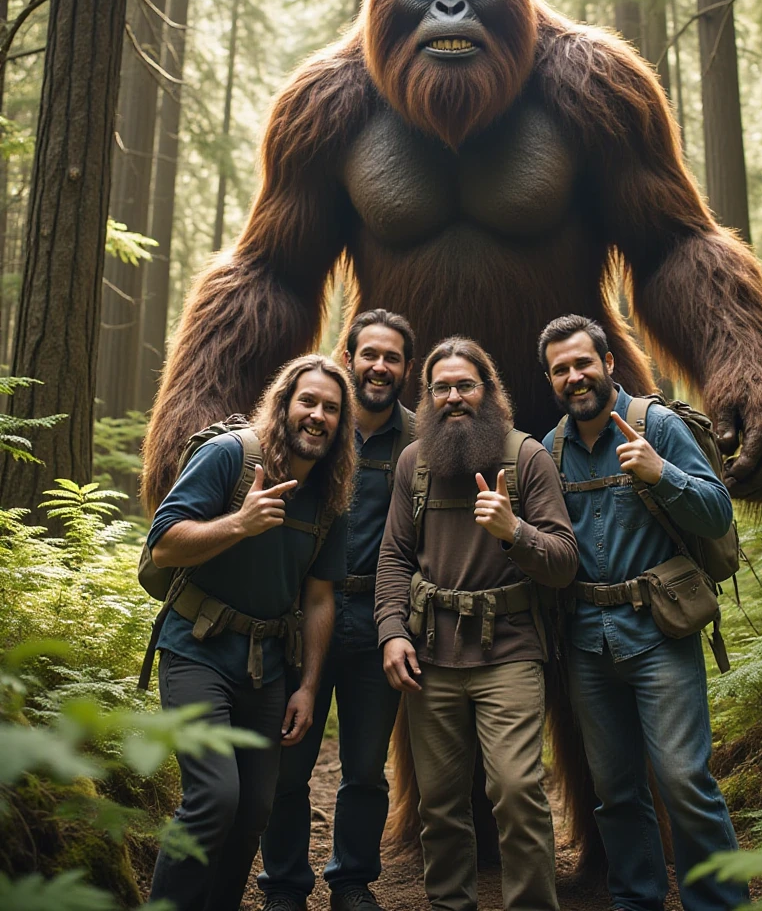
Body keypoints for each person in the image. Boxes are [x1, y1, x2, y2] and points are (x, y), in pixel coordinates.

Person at [538, 314, 751, 911]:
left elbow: (716, 514)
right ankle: (638, 898)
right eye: (560, 370)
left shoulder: (654, 424)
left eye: (583, 363)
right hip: (586, 642)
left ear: (608, 363)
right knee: (615, 790)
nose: (574, 377)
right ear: (550, 380)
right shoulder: (551, 450)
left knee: (685, 781)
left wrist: (662, 474)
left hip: (660, 632)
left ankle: (720, 902)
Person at [146, 354, 357, 911]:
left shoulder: (331, 493)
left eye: (331, 409)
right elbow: (163, 543)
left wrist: (309, 686)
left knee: (254, 811)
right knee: (215, 796)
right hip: (196, 649)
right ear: (283, 404)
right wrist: (239, 522)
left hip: (266, 668)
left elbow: (318, 597)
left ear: (342, 423)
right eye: (307, 401)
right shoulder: (229, 456)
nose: (317, 416)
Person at [375, 336, 578, 911]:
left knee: (517, 791)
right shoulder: (414, 463)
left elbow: (564, 561)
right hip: (431, 655)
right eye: (442, 388)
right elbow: (393, 557)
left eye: (466, 385)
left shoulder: (526, 457)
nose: (454, 398)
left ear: (488, 391)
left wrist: (515, 532)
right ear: (429, 395)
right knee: (439, 805)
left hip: (509, 651)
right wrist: (392, 632)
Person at [259, 310, 416, 911]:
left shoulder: (418, 440)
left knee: (366, 768)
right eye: (369, 353)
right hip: (305, 615)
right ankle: (284, 885)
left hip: (380, 619)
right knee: (289, 760)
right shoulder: (318, 424)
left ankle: (352, 880)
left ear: (405, 368)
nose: (380, 366)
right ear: (347, 359)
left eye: (393, 357)